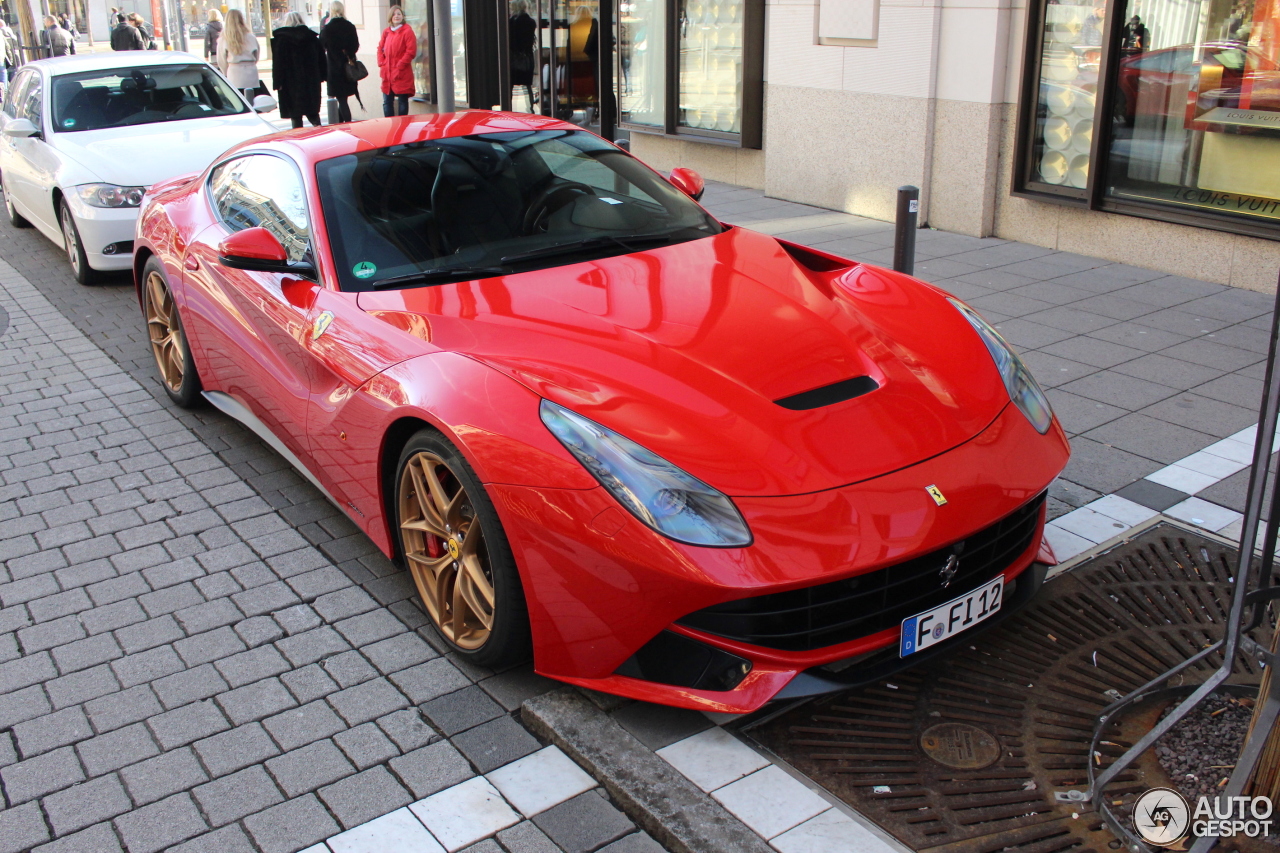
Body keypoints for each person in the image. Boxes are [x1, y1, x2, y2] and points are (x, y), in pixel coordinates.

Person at [272, 11, 325, 128]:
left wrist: (277, 82)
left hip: (290, 83)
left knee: (295, 115)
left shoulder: (281, 40)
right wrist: (322, 77)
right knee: (313, 113)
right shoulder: (312, 39)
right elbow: (321, 60)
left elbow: (278, 64)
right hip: (311, 82)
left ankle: (298, 138)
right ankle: (320, 133)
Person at [320, 1, 360, 123]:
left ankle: (347, 126)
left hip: (334, 68)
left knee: (341, 100)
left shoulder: (327, 28)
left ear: (331, 11)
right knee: (343, 99)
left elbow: (322, 45)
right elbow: (355, 46)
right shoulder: (350, 26)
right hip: (348, 67)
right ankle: (340, 124)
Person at [377, 5, 415, 117]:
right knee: (387, 102)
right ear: (390, 17)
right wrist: (382, 63)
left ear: (403, 16)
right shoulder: (386, 32)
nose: (396, 16)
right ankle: (390, 125)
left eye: (399, 14)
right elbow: (380, 48)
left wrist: (399, 66)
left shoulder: (407, 31)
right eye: (394, 14)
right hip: (387, 72)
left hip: (401, 72)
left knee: (403, 102)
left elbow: (411, 51)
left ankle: (403, 126)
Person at [218, 9, 261, 93]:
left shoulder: (223, 39)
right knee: (253, 100)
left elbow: (221, 61)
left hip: (234, 72)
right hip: (251, 73)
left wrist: (225, 72)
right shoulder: (251, 37)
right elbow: (257, 55)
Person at [508, 0, 535, 110]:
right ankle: (530, 107)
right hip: (527, 57)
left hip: (514, 57)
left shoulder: (511, 22)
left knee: (510, 85)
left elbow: (511, 40)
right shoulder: (531, 21)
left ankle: (508, 107)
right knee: (527, 85)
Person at [0, 19, 17, 98]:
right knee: (4, 83)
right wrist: (10, 60)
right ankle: (5, 97)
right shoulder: (2, 34)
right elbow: (7, 47)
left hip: (2, 60)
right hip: (2, 60)